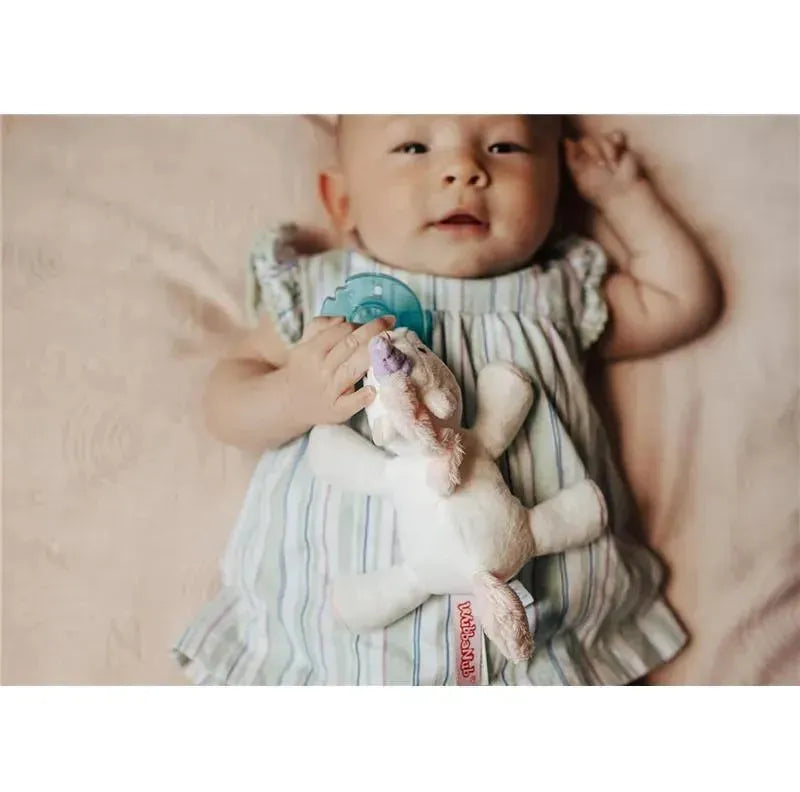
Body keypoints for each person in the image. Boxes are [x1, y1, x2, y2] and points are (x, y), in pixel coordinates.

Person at [174, 115, 719, 685]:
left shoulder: (557, 295)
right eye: (413, 146)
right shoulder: (320, 293)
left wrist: (624, 197)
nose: (463, 169)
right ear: (343, 201)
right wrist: (292, 395)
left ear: (556, 190)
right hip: (331, 638)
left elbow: (682, 301)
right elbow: (224, 401)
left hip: (545, 635)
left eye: (504, 146)